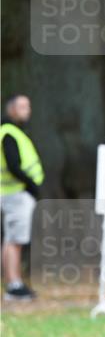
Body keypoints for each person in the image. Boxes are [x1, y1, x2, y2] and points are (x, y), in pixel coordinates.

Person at [1, 95, 44, 301]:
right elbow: (13, 165)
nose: (27, 110)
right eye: (22, 106)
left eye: (28, 106)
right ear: (11, 110)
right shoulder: (9, 133)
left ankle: (14, 282)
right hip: (16, 194)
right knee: (14, 240)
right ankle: (13, 284)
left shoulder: (14, 132)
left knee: (13, 239)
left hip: (15, 193)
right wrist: (30, 185)